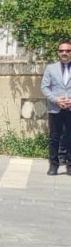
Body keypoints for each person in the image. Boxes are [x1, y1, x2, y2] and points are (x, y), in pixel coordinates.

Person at [41, 40, 71, 175]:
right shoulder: (50, 68)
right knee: (54, 138)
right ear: (58, 53)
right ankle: (54, 165)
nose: (64, 53)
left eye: (68, 51)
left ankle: (70, 165)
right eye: (62, 51)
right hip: (55, 108)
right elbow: (44, 87)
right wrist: (56, 100)